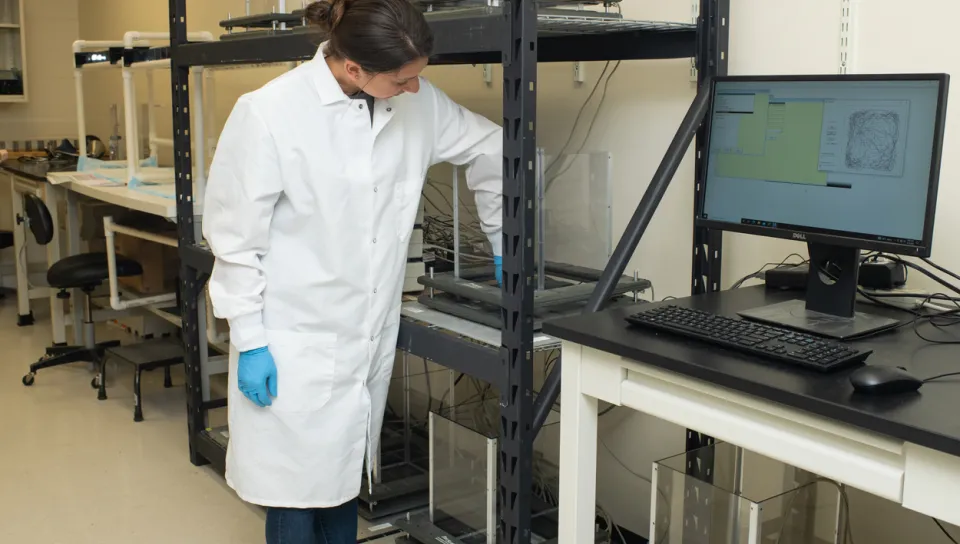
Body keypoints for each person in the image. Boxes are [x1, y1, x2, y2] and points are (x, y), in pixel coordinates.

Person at [202, 0, 503, 542]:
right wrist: (248, 339)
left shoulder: (419, 104)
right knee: (293, 496)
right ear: (354, 69)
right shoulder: (269, 112)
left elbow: (493, 146)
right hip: (291, 341)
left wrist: (505, 238)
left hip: (365, 338)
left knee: (341, 482)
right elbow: (235, 243)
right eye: (402, 79)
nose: (414, 89)